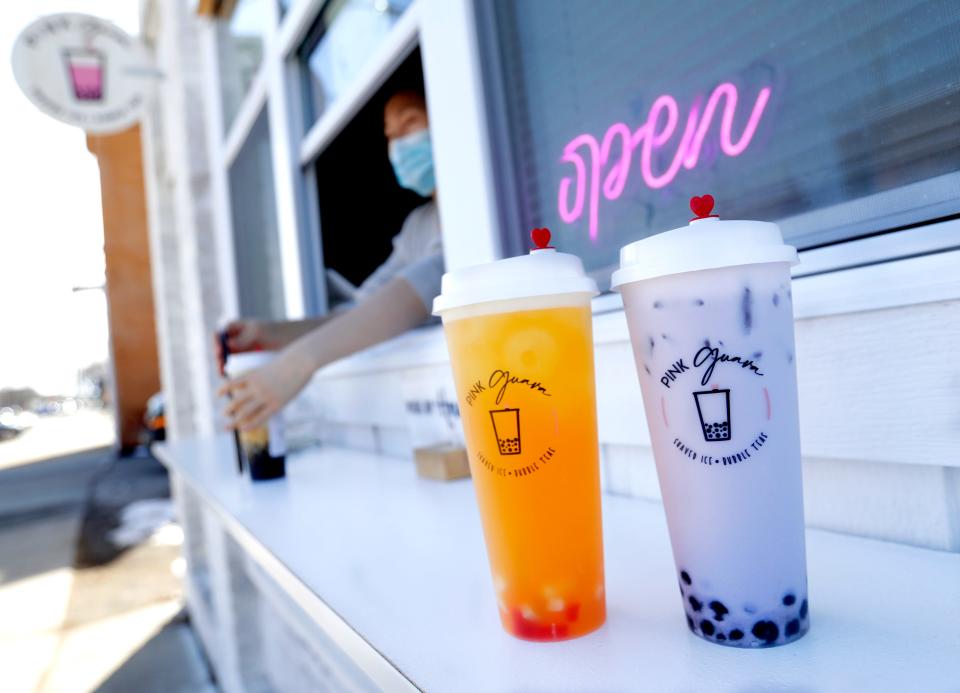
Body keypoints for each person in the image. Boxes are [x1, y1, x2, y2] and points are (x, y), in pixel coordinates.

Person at [217, 86, 443, 431]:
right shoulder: (418, 224)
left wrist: (296, 365)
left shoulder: (482, 198)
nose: (399, 147)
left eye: (410, 123)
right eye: (391, 136)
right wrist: (271, 333)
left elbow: (422, 289)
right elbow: (366, 312)